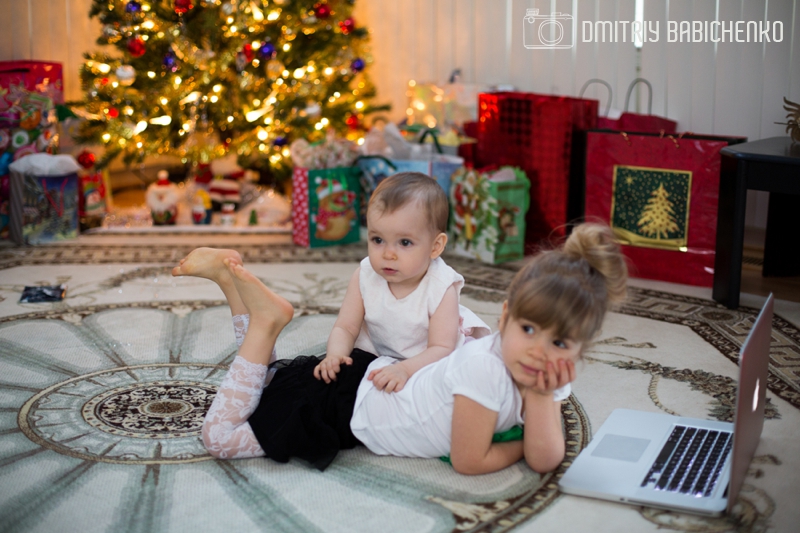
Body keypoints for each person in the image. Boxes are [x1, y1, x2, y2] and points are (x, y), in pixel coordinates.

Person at [176, 221, 627, 474]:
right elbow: (472, 460)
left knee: (267, 382)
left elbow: (546, 458)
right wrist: (520, 440)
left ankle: (233, 284)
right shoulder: (484, 370)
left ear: (578, 350)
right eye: (529, 330)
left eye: (561, 342)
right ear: (504, 317)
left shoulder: (547, 377)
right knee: (220, 437)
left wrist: (542, 399)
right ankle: (265, 321)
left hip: (361, 384)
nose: (539, 353)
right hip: (342, 404)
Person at [172, 173, 488, 468]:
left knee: (269, 386)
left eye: (404, 243)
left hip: (417, 369)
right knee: (272, 384)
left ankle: (235, 287)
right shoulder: (366, 273)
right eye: (378, 240)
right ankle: (233, 283)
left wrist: (404, 368)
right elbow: (346, 326)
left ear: (436, 246)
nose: (387, 254)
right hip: (370, 362)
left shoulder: (441, 286)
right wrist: (336, 354)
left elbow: (442, 347)